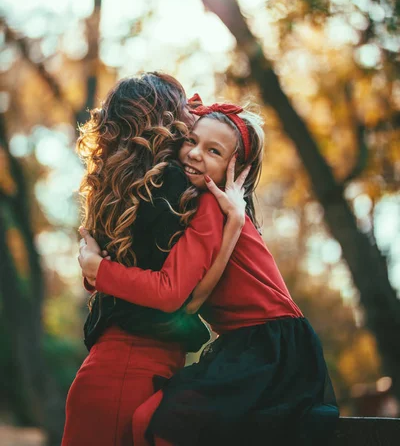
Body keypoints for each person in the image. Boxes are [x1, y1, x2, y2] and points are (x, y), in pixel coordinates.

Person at [79, 102, 340, 446]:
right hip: (242, 345)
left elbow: (176, 297)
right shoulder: (209, 206)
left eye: (213, 151)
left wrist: (102, 272)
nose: (195, 154)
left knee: (159, 423)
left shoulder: (211, 206)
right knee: (151, 420)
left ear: (237, 167)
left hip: (269, 348)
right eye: (191, 140)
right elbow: (191, 297)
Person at [62, 74, 248, 446]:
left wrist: (99, 272)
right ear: (168, 120)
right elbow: (166, 290)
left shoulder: (120, 186)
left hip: (113, 372)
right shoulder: (177, 188)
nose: (192, 117)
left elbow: (97, 269)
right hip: (129, 374)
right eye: (184, 111)